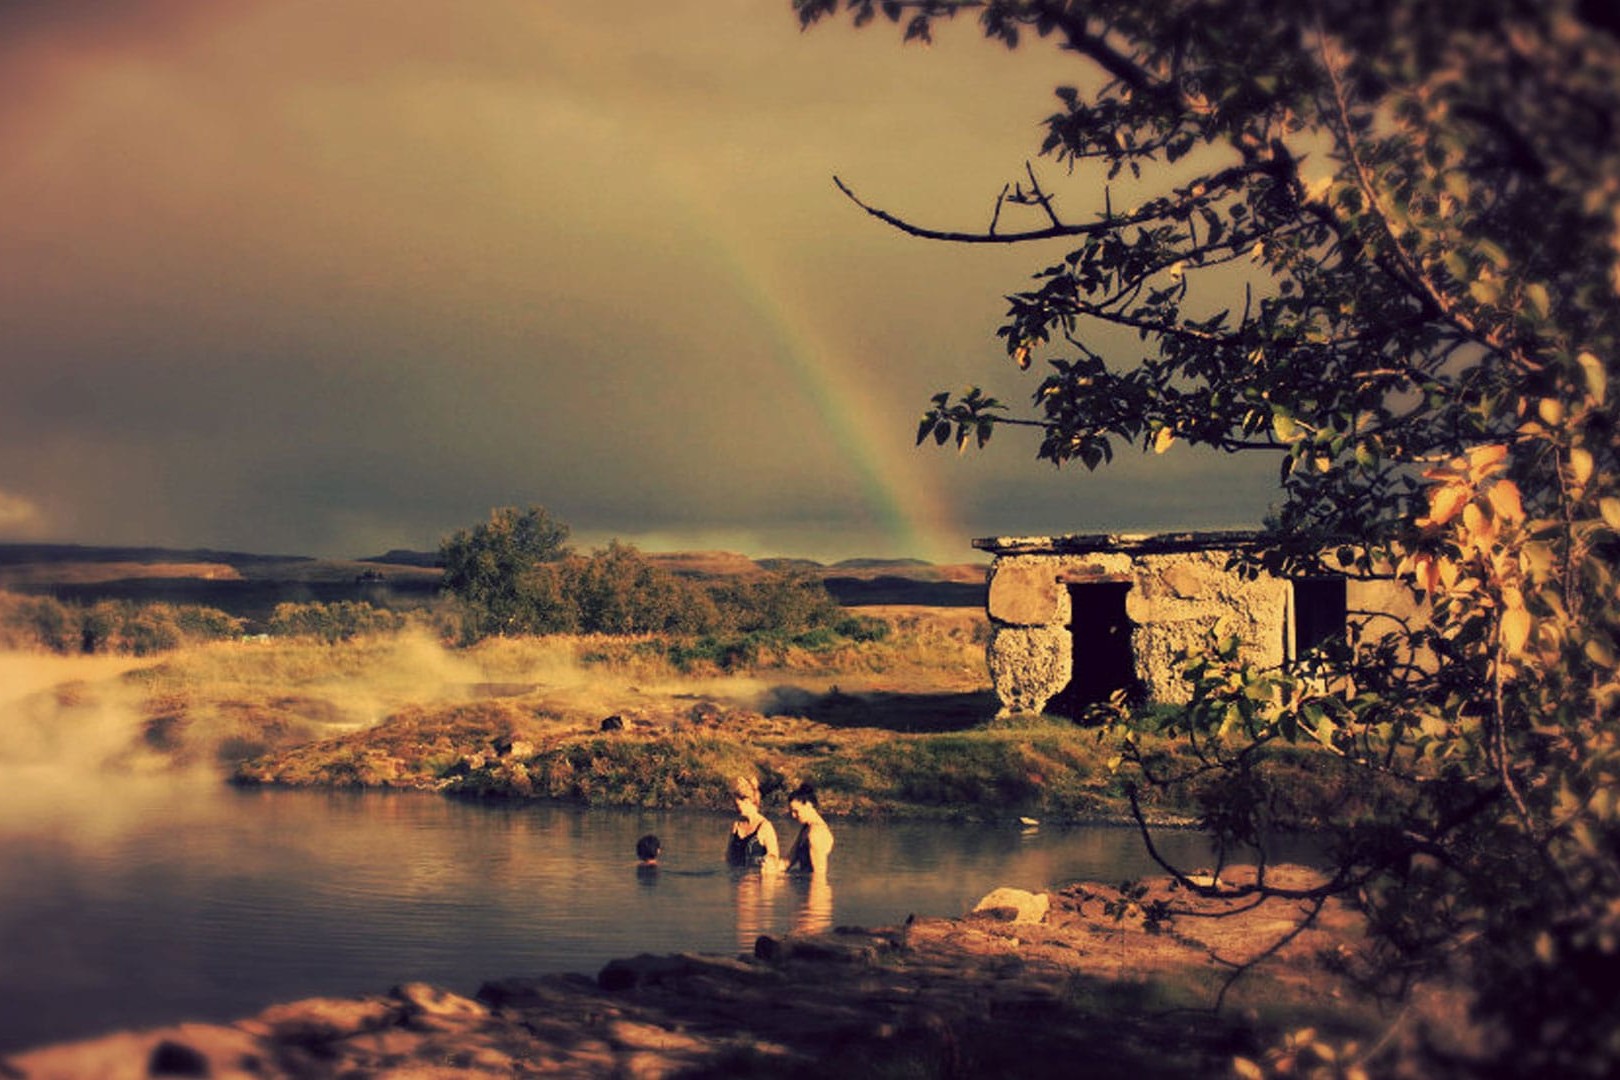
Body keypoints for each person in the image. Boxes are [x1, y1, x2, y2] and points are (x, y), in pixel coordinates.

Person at [725, 775, 782, 869]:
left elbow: (774, 856)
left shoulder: (765, 826)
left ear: (747, 802)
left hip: (756, 880)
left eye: (737, 805)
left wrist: (767, 861)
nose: (735, 808)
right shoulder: (736, 825)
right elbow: (728, 857)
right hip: (736, 880)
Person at [784, 783, 834, 875]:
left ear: (808, 805)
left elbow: (819, 875)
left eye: (796, 811)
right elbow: (788, 862)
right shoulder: (807, 828)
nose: (793, 816)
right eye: (791, 812)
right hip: (803, 885)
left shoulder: (817, 833)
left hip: (813, 887)